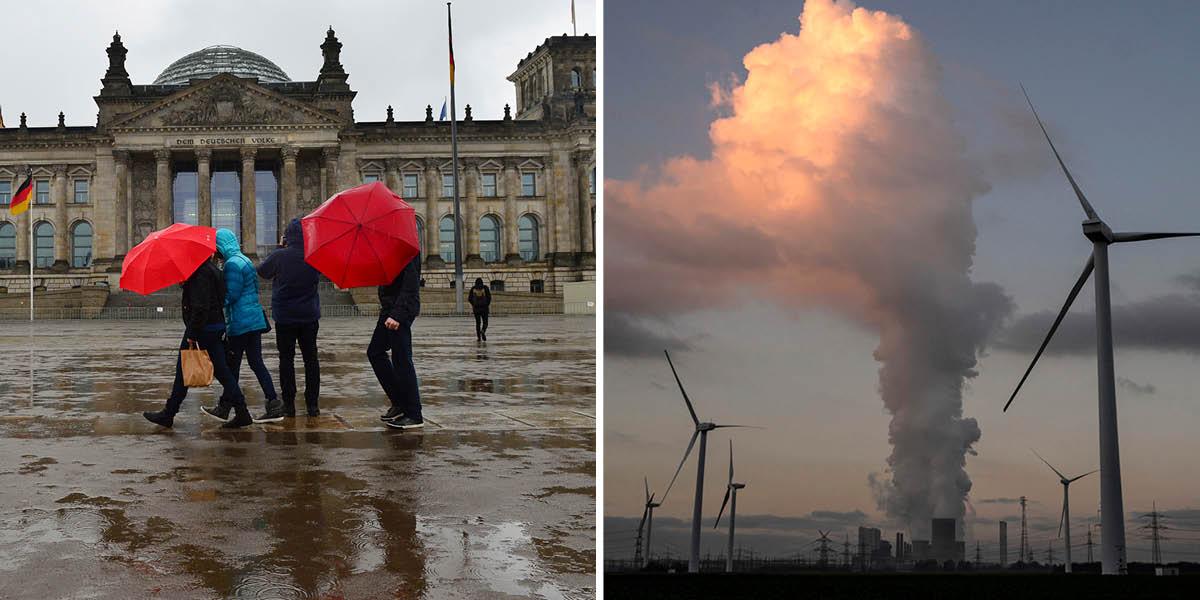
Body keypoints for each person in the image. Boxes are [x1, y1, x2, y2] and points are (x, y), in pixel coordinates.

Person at [143, 252, 252, 429]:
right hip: (214, 326)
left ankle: (169, 413)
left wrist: (192, 334)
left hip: (202, 329)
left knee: (183, 371)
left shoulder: (200, 273)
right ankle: (242, 412)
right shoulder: (212, 270)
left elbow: (200, 307)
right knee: (223, 373)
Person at [200, 229, 282, 423]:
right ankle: (273, 403)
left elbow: (232, 295)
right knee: (256, 363)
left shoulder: (232, 265)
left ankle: (225, 407)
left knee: (232, 367)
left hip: (240, 322)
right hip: (253, 320)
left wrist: (215, 302)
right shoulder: (244, 259)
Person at [257, 218, 322, 417]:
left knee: (286, 360)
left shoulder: (280, 256)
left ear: (288, 237)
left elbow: (262, 272)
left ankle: (289, 405)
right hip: (309, 316)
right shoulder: (314, 256)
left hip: (285, 317)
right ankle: (312, 405)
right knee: (311, 360)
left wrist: (280, 248)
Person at [370, 253, 423, 429]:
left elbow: (410, 285)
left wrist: (398, 314)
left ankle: (414, 414)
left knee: (402, 359)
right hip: (389, 308)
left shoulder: (407, 247)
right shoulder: (389, 247)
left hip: (400, 310)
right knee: (375, 352)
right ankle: (400, 402)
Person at [468, 277, 492, 341]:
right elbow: (489, 297)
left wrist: (474, 304)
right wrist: (486, 304)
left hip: (476, 309)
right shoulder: (485, 288)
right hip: (484, 309)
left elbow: (469, 299)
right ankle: (483, 331)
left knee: (478, 323)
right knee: (485, 322)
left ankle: (479, 337)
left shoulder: (473, 289)